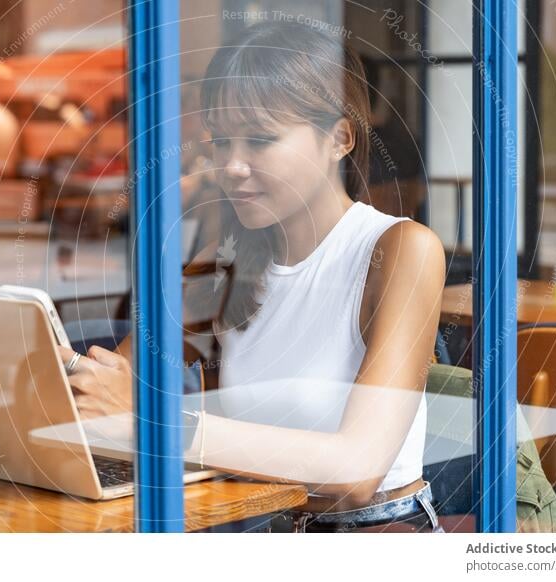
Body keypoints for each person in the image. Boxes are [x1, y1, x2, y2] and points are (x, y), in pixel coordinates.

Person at [58, 21, 446, 533]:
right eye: (221, 142)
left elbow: (357, 469)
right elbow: (130, 375)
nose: (232, 167)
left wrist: (160, 425)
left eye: (260, 140)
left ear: (339, 139)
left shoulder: (399, 250)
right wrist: (66, 376)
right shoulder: (230, 253)